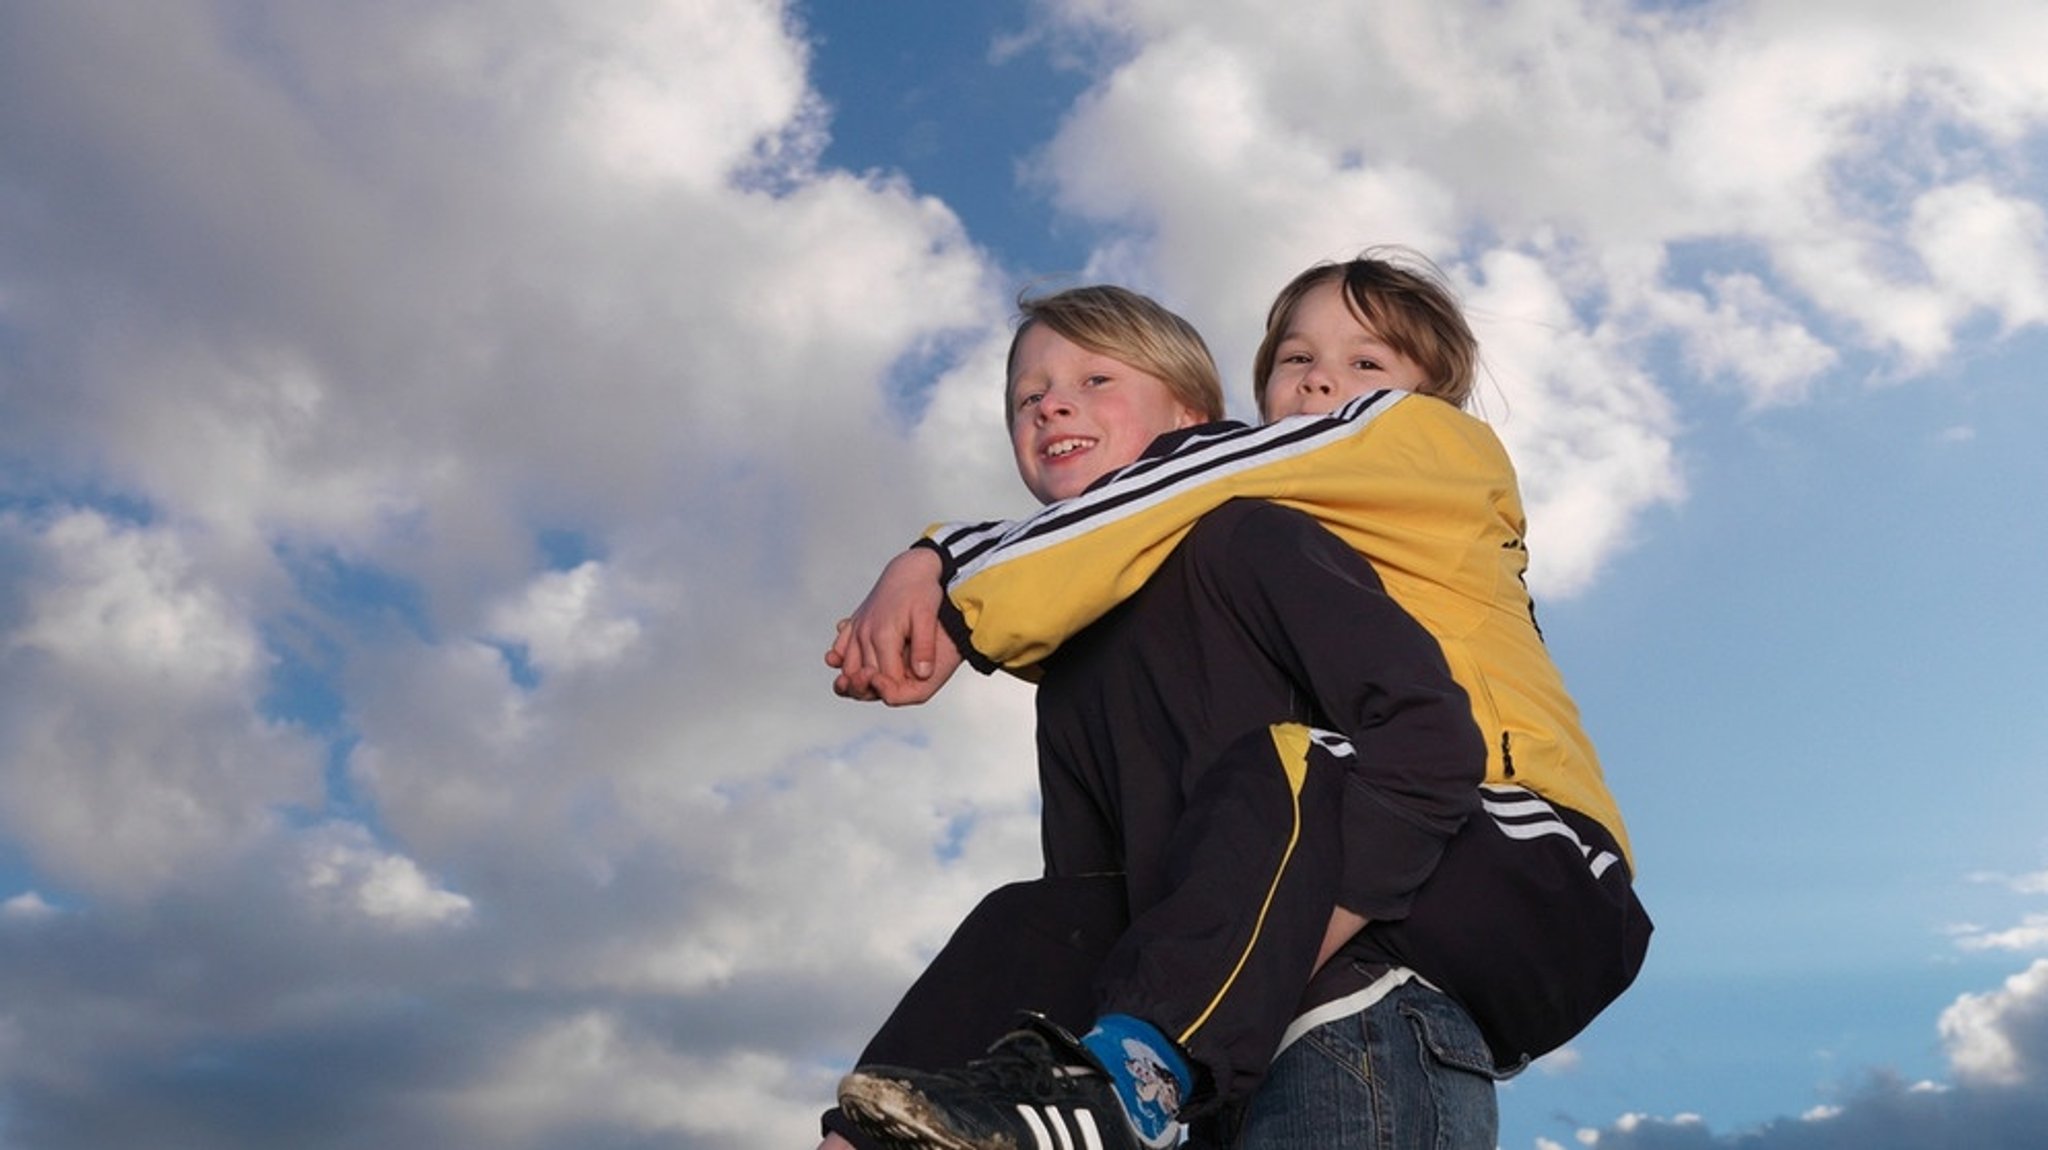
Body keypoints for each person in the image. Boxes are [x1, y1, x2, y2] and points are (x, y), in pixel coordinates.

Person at [827, 257, 1650, 1148]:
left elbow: (1194, 480)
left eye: (1367, 363)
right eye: (1294, 360)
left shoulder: (1420, 447)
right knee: (1041, 919)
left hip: (1523, 849)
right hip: (1360, 855)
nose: (1324, 377)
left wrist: (946, 568)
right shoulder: (1128, 613)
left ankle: (1133, 1075)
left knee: (1292, 762)